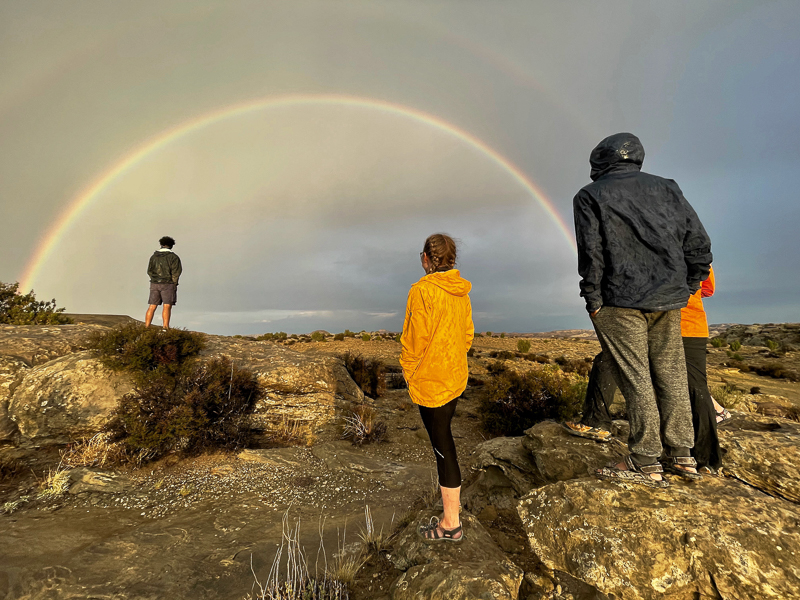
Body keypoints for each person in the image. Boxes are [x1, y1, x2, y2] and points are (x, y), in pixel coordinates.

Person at [573, 132, 712, 488]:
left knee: (636, 377)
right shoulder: (667, 187)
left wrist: (592, 298)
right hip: (668, 299)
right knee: (672, 373)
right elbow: (698, 241)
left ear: (600, 160)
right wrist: (690, 284)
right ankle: (683, 455)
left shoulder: (590, 196)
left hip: (618, 301)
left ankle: (645, 460)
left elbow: (593, 252)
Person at [565, 268, 723, 474]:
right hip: (688, 322)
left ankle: (599, 423)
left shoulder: (649, 242)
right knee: (693, 386)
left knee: (612, 361)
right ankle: (701, 459)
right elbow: (708, 287)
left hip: (660, 320)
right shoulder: (688, 243)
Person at [400, 233, 474, 542]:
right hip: (454, 378)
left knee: (443, 447)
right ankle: (450, 514)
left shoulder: (422, 292)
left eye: (423, 256)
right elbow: (467, 335)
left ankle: (450, 525)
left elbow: (414, 342)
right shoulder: (462, 292)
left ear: (426, 259)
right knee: (444, 444)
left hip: (431, 383)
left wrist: (408, 372)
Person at [145, 236, 182, 329]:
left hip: (154, 283)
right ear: (171, 246)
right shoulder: (174, 257)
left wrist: (154, 278)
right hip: (168, 284)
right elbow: (176, 272)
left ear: (161, 244)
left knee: (152, 306)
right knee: (167, 306)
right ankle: (165, 327)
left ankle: (146, 327)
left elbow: (149, 271)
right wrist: (174, 283)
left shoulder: (153, 257)